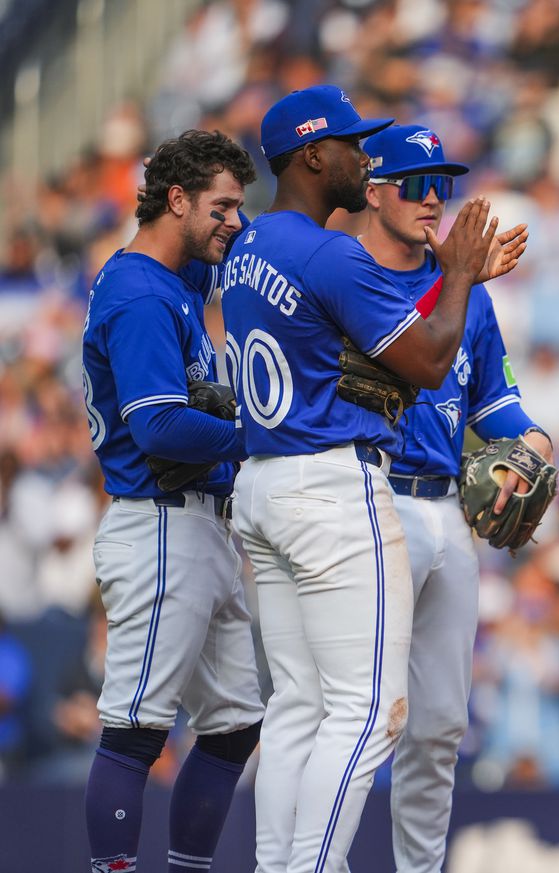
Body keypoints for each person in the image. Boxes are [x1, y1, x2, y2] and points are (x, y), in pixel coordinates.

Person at [220, 85, 496, 873]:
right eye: (350, 144)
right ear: (312, 156)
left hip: (264, 482)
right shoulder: (326, 249)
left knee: (299, 706)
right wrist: (463, 274)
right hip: (331, 488)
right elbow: (429, 359)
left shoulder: (247, 250)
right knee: (368, 709)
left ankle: (278, 865)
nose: (362, 156)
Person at [355, 123, 549, 873]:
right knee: (364, 718)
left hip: (445, 510)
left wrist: (534, 445)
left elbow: (492, 402)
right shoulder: (353, 276)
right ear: (374, 192)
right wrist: (458, 279)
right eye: (415, 183)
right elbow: (407, 351)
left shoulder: (468, 294)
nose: (434, 199)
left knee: (437, 725)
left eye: (443, 184)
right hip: (373, 500)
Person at [81, 129, 265, 873]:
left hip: (199, 528)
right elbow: (156, 422)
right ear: (178, 198)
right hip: (158, 521)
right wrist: (259, 433)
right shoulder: (138, 290)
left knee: (232, 727)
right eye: (222, 206)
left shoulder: (177, 277)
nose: (235, 221)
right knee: (135, 728)